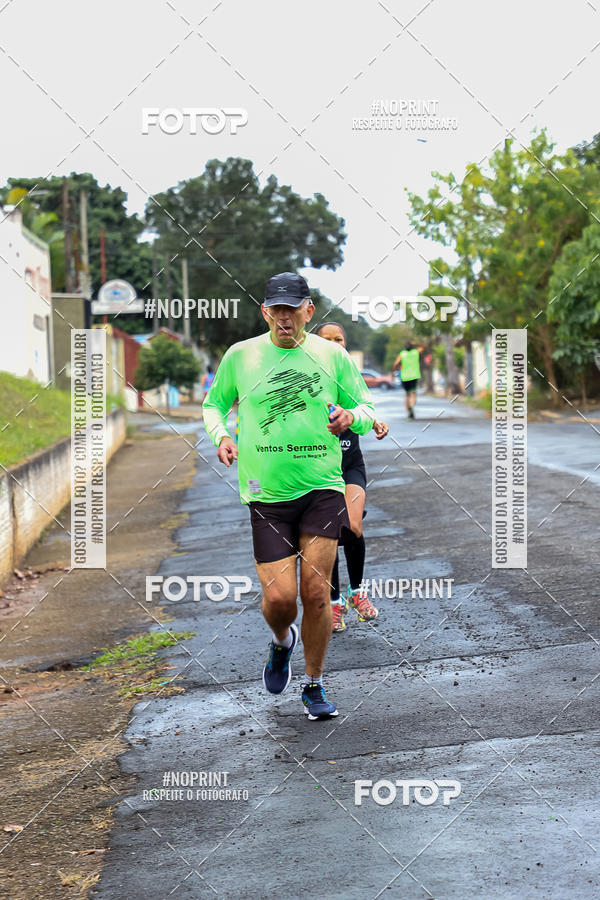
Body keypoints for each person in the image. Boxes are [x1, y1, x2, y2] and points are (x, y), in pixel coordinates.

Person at [202, 273, 375, 720]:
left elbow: (367, 408)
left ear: (308, 311)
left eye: (292, 309)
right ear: (265, 311)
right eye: (276, 309)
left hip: (323, 485)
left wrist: (350, 417)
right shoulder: (241, 356)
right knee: (280, 600)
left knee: (316, 592)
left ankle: (313, 685)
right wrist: (221, 435)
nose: (284, 317)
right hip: (267, 492)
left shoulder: (331, 356)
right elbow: (213, 404)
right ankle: (282, 642)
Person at [315, 323, 389, 633]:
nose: (334, 344)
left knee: (352, 526)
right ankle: (334, 603)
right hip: (318, 469)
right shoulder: (307, 378)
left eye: (339, 339)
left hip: (350, 464)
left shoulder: (348, 375)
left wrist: (374, 422)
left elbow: (364, 406)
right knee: (330, 533)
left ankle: (356, 593)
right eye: (327, 340)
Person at [393, 341, 424, 419]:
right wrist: (416, 343)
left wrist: (397, 368)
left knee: (407, 394)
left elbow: (395, 364)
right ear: (412, 346)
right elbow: (424, 346)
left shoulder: (402, 354)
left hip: (405, 377)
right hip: (414, 375)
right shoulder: (415, 352)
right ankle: (412, 405)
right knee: (413, 392)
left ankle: (409, 411)